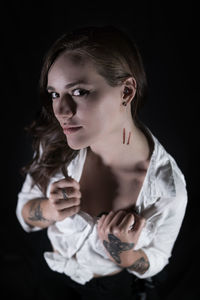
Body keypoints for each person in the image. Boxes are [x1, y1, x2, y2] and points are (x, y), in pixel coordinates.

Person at [16, 25, 188, 300]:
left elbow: (158, 258)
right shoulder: (54, 142)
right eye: (54, 94)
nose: (60, 111)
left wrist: (125, 253)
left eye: (79, 92)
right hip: (49, 270)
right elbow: (24, 212)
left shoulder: (167, 188)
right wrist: (50, 209)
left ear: (126, 92)